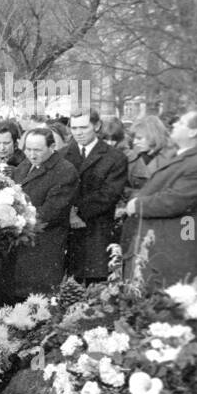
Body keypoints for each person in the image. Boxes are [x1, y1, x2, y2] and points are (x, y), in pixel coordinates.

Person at [123, 111, 197, 289]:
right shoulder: (188, 156)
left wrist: (138, 204)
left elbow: (176, 200)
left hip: (175, 248)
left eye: (182, 123)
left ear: (193, 132)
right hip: (162, 243)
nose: (174, 125)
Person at [2, 127, 79, 300]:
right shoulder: (24, 166)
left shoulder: (65, 171)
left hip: (44, 249)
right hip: (19, 247)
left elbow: (49, 212)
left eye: (37, 150)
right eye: (28, 149)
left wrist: (12, 221)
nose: (31, 154)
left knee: (38, 303)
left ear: (52, 147)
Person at [63, 110, 128, 283]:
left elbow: (109, 194)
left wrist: (77, 212)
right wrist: (69, 213)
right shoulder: (62, 155)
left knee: (95, 289)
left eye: (84, 127)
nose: (78, 132)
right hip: (66, 234)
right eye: (74, 128)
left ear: (97, 126)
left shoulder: (115, 157)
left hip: (96, 233)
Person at [125, 115, 174, 192]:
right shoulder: (134, 157)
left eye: (139, 138)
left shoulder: (172, 159)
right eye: (134, 138)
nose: (134, 142)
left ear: (153, 136)